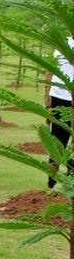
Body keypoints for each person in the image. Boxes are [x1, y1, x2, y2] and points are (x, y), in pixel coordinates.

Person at [45, 36, 74, 188]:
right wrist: (47, 94)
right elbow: (50, 68)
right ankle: (52, 181)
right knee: (57, 141)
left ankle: (71, 169)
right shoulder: (62, 42)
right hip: (58, 96)